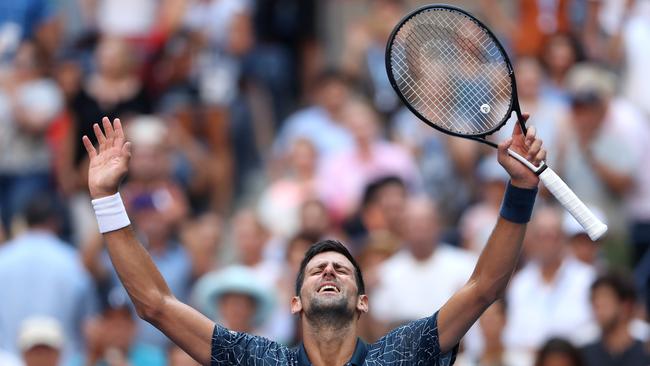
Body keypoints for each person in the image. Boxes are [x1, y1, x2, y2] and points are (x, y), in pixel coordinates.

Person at [81, 116, 545, 365]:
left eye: (342, 269)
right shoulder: (260, 361)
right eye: (317, 269)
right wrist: (106, 198)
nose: (328, 270)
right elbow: (156, 304)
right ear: (295, 302)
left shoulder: (402, 354)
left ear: (363, 302)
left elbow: (484, 286)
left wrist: (521, 191)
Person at [581, 271, 650, 366]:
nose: (598, 311)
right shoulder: (585, 355)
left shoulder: (645, 352)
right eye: (595, 303)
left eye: (605, 303)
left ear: (626, 306)